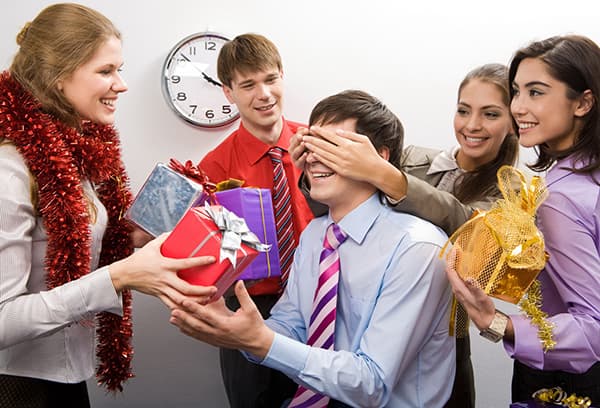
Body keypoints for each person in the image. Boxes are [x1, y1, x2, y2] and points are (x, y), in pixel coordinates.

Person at [171, 90, 455, 407]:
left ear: (380, 157)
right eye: (310, 143)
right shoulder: (316, 235)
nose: (314, 157)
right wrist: (239, 330)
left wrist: (262, 342)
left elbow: (370, 382)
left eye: (332, 146)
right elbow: (292, 323)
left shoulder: (417, 248)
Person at [0, 4, 216, 407]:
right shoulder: (9, 169)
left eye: (120, 68)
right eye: (106, 71)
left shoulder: (79, 159)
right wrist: (117, 277)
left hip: (67, 379)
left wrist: (135, 233)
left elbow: (86, 240)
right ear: (57, 76)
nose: (122, 84)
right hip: (17, 388)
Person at [289, 64, 518, 407]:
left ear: (514, 120)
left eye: (490, 114)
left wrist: (388, 176)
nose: (472, 125)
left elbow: (475, 240)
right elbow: (347, 213)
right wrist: (312, 175)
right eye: (463, 110)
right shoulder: (413, 157)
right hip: (368, 326)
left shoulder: (514, 190)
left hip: (438, 345)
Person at [446, 34, 600, 403]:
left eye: (536, 92)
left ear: (583, 102)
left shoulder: (560, 198)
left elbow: (592, 327)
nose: (518, 106)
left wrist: (496, 322)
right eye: (516, 91)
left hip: (570, 386)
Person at [197, 33, 315, 407]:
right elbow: (207, 256)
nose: (263, 94)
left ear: (282, 76)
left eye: (270, 79)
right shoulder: (212, 168)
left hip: (323, 301)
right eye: (248, 85)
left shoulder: (318, 145)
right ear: (228, 92)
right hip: (250, 309)